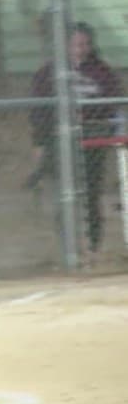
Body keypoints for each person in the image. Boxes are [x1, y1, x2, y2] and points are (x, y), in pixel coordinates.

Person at [28, 22, 123, 258]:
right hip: (58, 139)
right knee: (63, 195)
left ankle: (93, 246)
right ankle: (68, 248)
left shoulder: (101, 71)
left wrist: (105, 130)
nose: (81, 49)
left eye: (85, 44)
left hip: (91, 137)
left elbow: (113, 105)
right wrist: (39, 143)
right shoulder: (48, 72)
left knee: (91, 194)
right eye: (75, 44)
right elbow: (38, 112)